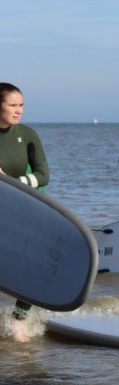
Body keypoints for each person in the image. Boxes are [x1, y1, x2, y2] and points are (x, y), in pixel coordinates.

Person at [0, 83, 50, 342]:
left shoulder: (27, 134)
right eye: (12, 105)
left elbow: (43, 176)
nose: (19, 110)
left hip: (22, 210)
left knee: (32, 267)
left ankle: (17, 321)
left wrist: (10, 181)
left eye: (21, 105)